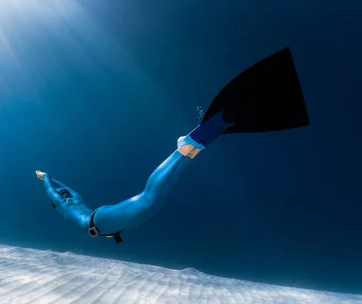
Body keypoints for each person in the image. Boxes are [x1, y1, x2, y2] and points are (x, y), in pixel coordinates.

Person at [36, 48, 310, 244]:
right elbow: (64, 192)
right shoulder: (68, 204)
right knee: (156, 200)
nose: (67, 197)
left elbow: (61, 191)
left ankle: (185, 144)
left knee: (150, 198)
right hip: (106, 221)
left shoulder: (67, 205)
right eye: (64, 197)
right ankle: (195, 146)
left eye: (64, 197)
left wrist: (46, 177)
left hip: (99, 221)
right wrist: (52, 181)